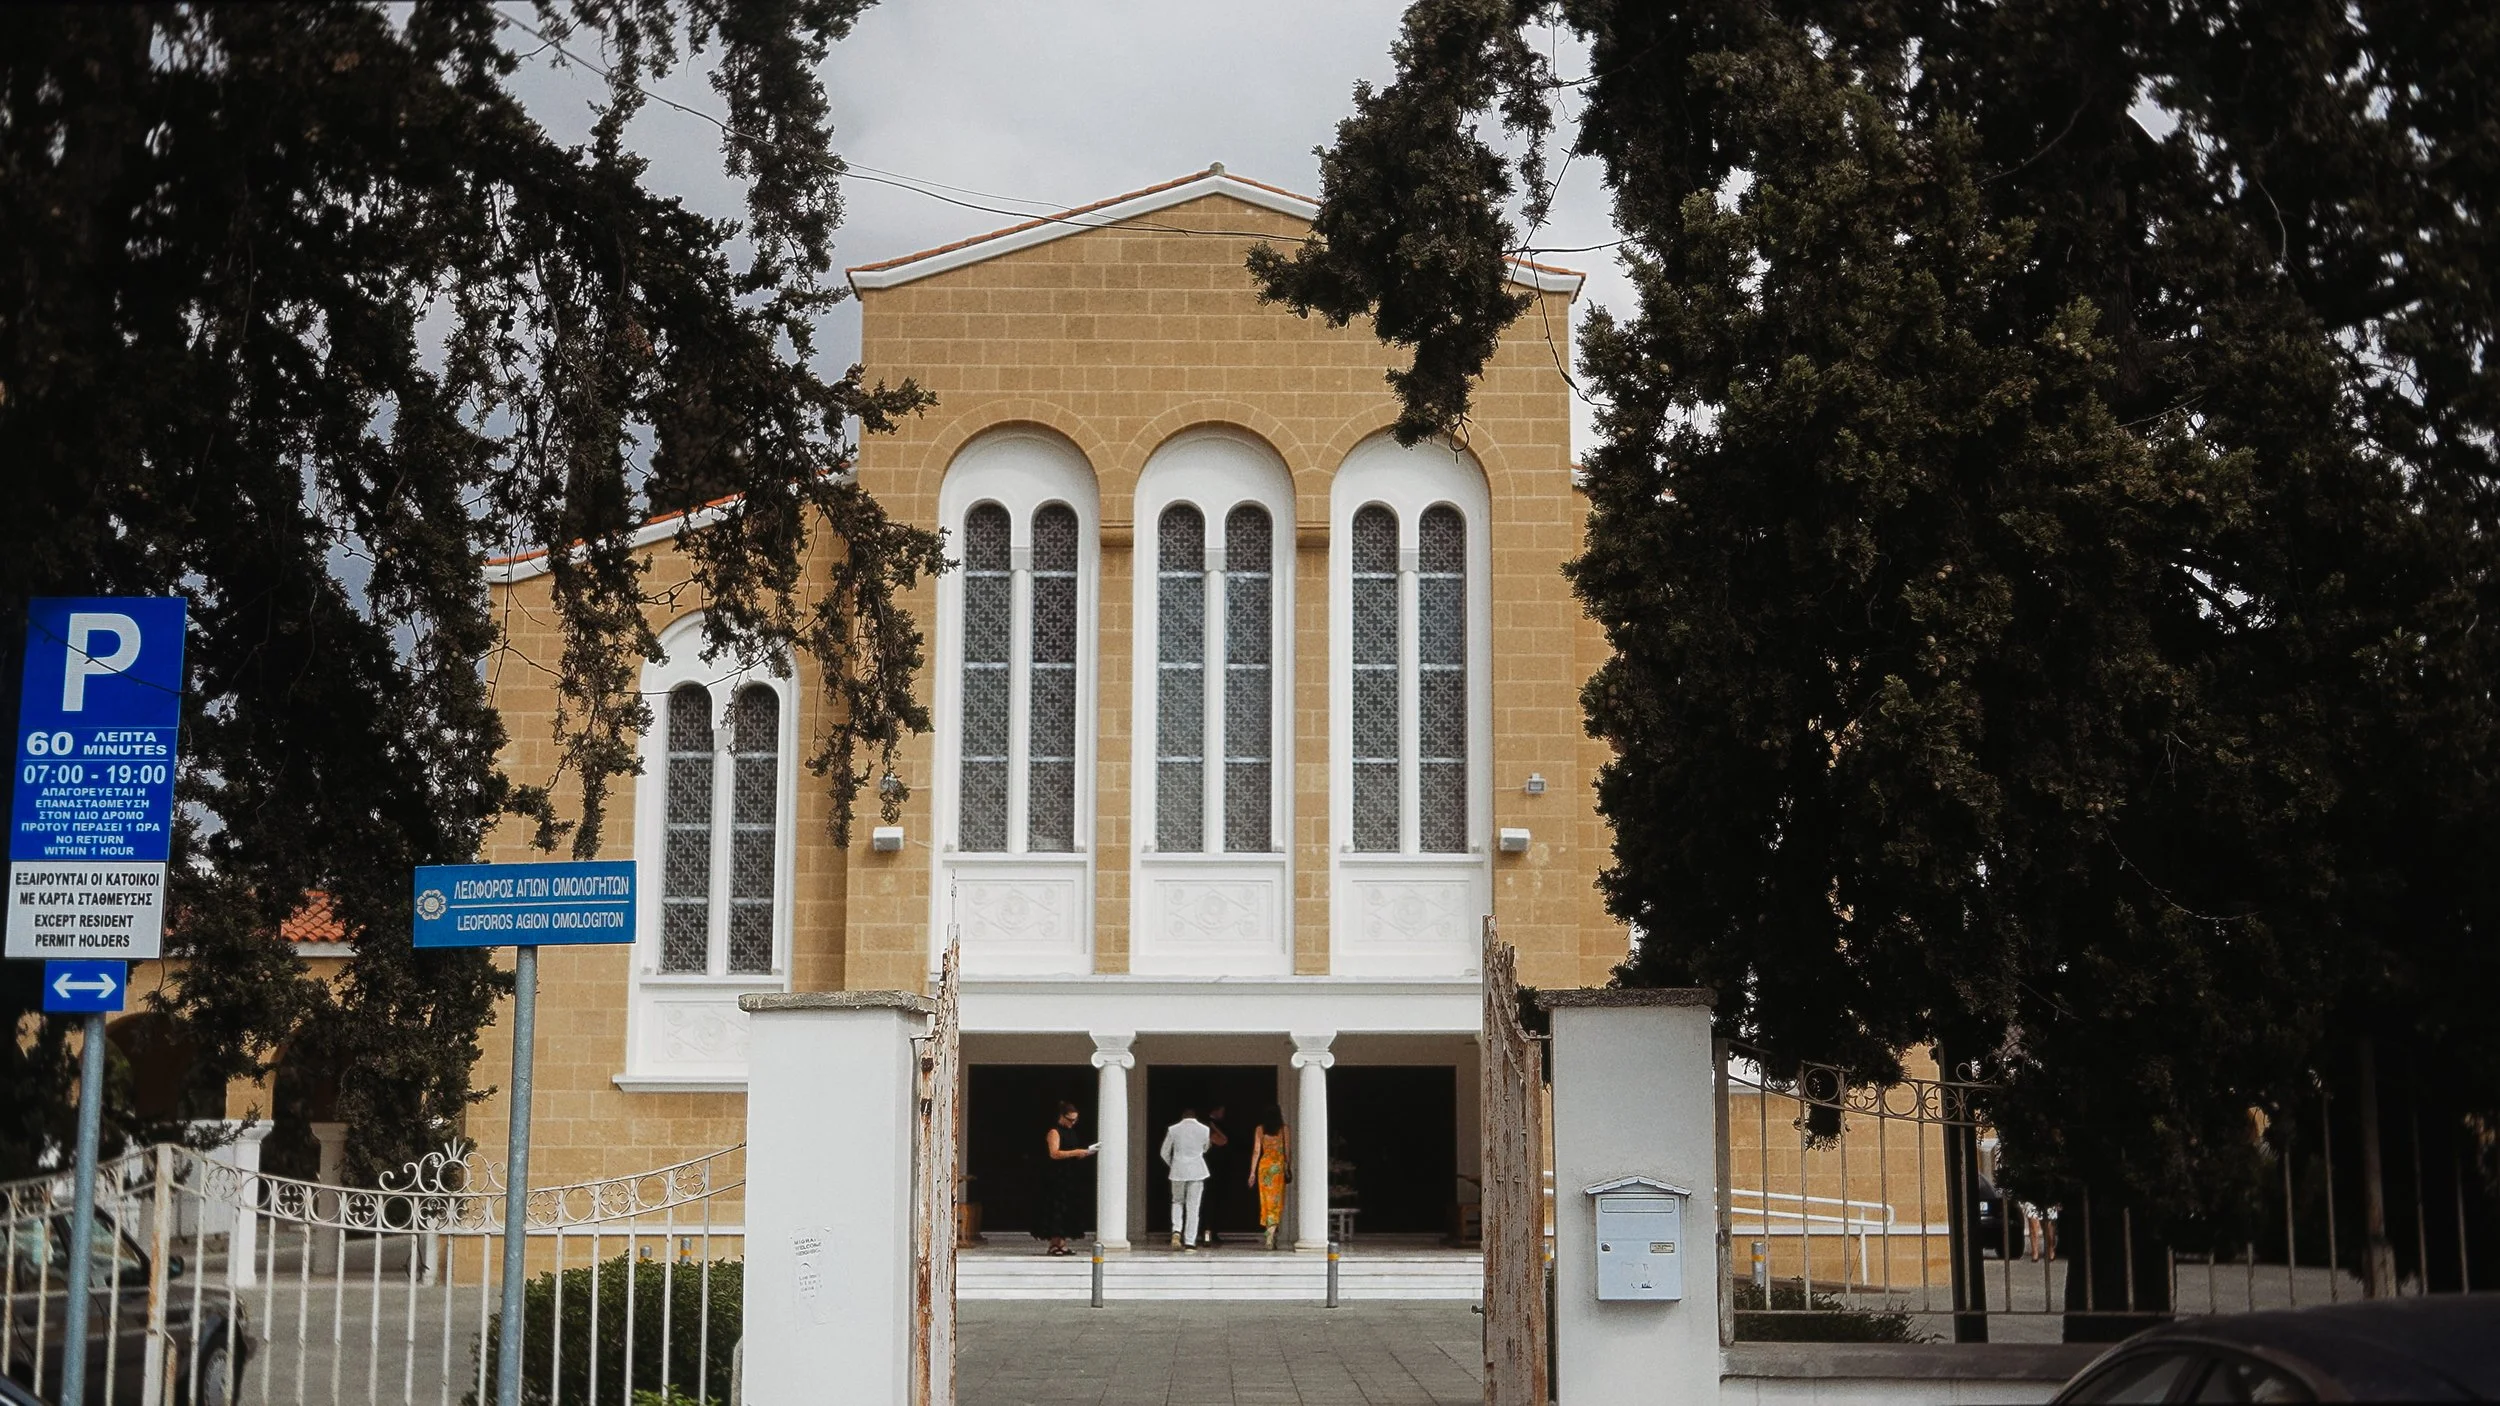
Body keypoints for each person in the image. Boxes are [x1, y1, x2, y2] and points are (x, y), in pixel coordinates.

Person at [1033, 1102, 1094, 1257]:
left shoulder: (1071, 1132)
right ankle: (1054, 1243)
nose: (1072, 1123)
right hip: (1056, 1176)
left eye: (1075, 1120)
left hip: (1069, 1175)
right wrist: (1075, 1152)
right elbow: (1054, 1153)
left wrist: (1081, 1154)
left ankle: (1062, 1243)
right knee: (1056, 1208)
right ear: (1062, 1116)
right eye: (1070, 1119)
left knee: (1067, 1208)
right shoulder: (1054, 1131)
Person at [1159, 1107, 1213, 1250]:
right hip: (1197, 1170)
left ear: (1183, 1117)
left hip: (1178, 1170)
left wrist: (1173, 1164)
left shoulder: (1173, 1129)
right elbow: (1205, 1148)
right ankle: (1190, 1241)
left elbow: (1164, 1152)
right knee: (1193, 1206)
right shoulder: (1205, 1129)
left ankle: (1176, 1230)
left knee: (1177, 1201)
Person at [1248, 1106, 1291, 1251]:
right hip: (1277, 1167)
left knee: (1266, 1202)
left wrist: (1252, 1172)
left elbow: (1256, 1151)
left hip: (1264, 1167)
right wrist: (1287, 1166)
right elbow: (1287, 1150)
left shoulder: (1260, 1129)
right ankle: (1271, 1233)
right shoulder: (1284, 1129)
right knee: (1276, 1203)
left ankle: (1269, 1234)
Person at [1196, 1104, 1233, 1246]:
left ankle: (1209, 1230)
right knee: (1206, 1201)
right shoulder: (1207, 1128)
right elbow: (1223, 1140)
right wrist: (1213, 1126)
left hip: (1214, 1171)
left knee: (1212, 1201)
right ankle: (1206, 1230)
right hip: (1207, 1171)